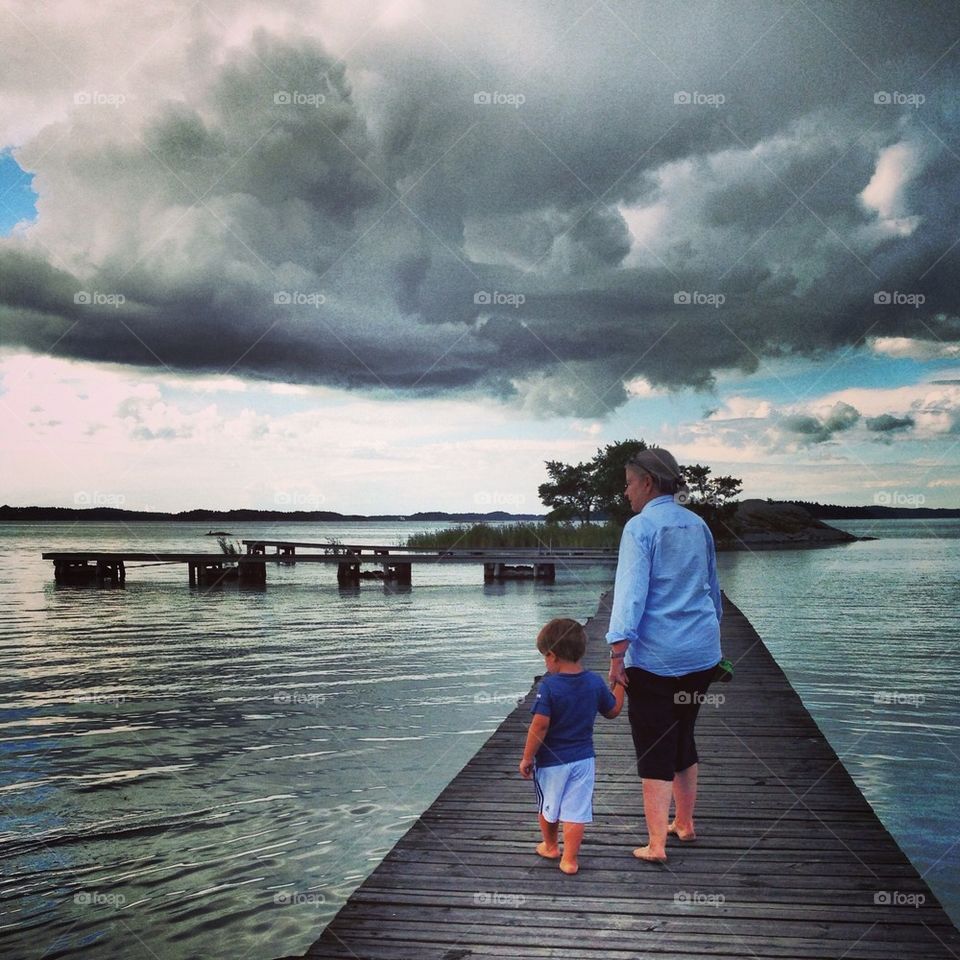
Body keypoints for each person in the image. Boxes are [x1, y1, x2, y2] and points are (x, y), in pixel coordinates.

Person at [606, 447, 722, 864]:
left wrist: (618, 653)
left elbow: (630, 595)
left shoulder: (641, 527)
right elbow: (712, 585)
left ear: (648, 483)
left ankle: (656, 844)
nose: (625, 492)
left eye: (629, 483)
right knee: (683, 734)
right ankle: (685, 824)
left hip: (657, 657)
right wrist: (712, 637)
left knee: (654, 742)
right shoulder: (697, 524)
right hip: (701, 652)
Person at [519, 617, 625, 874]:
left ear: (553, 656)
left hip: (552, 762)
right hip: (583, 760)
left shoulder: (549, 686)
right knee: (576, 811)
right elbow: (613, 711)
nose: (545, 662)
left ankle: (550, 846)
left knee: (548, 806)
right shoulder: (594, 682)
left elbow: (540, 726)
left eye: (545, 657)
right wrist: (621, 684)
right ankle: (570, 860)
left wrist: (527, 757)